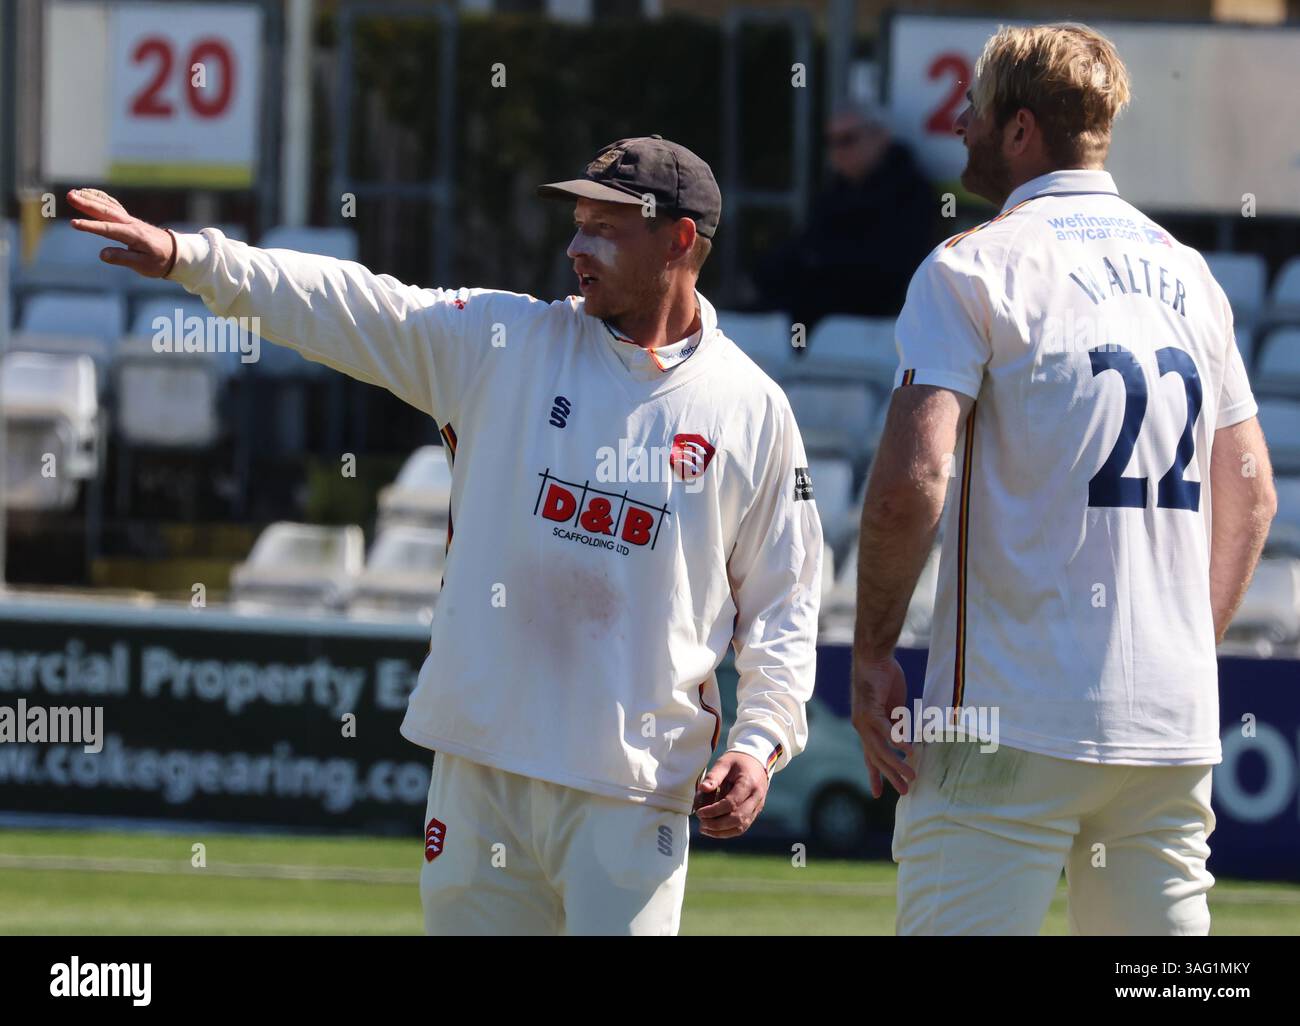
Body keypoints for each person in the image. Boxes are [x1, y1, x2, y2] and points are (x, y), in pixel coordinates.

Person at [68, 135, 822, 936]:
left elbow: (784, 601)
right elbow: (352, 303)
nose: (575, 246)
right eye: (575, 222)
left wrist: (761, 740)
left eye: (605, 228)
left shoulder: (752, 408)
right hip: (480, 768)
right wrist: (193, 257)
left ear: (679, 240)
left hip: (633, 790)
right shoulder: (504, 344)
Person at [849, 24, 1276, 935]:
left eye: (976, 107)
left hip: (1001, 725)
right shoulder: (1192, 275)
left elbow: (911, 481)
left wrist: (872, 652)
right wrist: (1181, 647)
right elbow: (1253, 492)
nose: (958, 123)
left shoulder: (972, 264)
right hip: (1170, 727)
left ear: (1019, 131)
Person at [752, 102, 935, 328]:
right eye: (831, 142)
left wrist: (819, 261)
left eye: (848, 139)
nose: (837, 151)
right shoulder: (835, 192)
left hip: (878, 317)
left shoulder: (909, 192)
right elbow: (802, 248)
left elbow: (887, 268)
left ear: (880, 137)